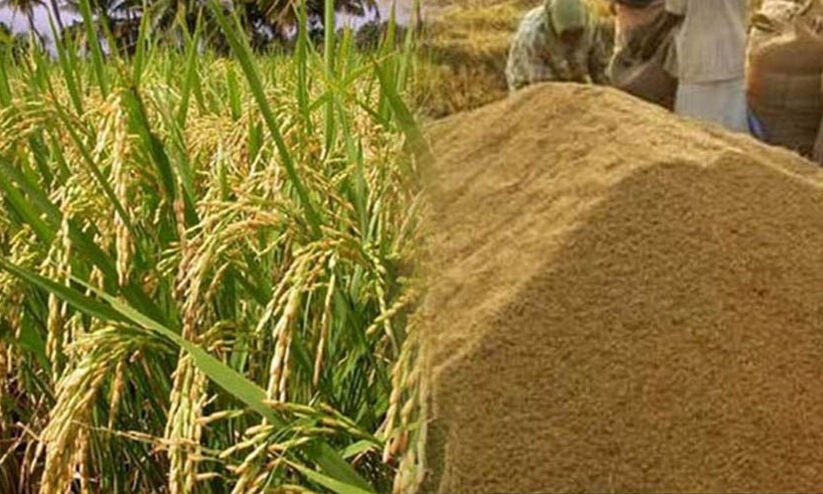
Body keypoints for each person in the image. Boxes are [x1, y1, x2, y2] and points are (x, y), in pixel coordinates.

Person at [639, 0, 749, 132]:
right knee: (733, 131)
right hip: (733, 56)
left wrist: (650, 40)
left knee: (693, 130)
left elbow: (672, 15)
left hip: (699, 61)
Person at [505, 0, 610, 91]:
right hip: (529, 81)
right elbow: (543, 87)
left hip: (573, 73)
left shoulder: (591, 26)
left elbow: (599, 68)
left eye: (576, 34)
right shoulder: (533, 36)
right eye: (567, 35)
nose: (572, 40)